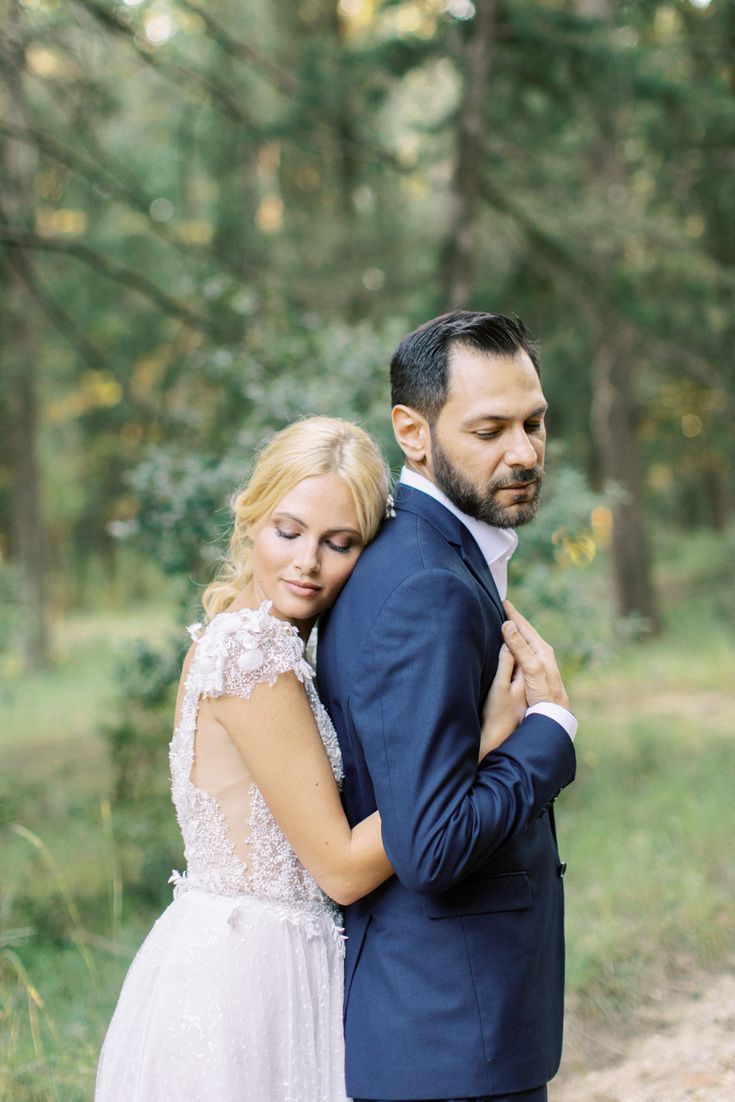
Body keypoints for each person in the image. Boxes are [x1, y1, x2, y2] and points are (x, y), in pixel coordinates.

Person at [95, 415, 542, 1102]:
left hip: (269, 959)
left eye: (340, 543)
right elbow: (337, 867)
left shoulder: (262, 642)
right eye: (288, 531)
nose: (307, 563)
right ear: (250, 518)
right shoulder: (253, 657)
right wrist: (472, 751)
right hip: (249, 982)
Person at [317, 312, 578, 1102]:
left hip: (450, 1028)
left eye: (533, 423)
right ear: (412, 431)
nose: (525, 452)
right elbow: (430, 846)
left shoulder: (433, 556)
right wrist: (549, 734)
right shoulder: (425, 585)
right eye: (490, 428)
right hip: (447, 1040)